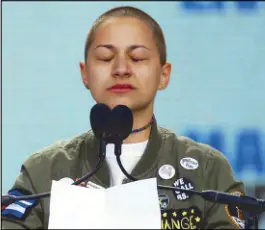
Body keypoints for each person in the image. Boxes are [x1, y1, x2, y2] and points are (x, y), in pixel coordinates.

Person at [2, 6, 246, 229]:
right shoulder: (43, 171)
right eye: (106, 58)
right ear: (85, 73)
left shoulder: (207, 170)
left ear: (164, 74)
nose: (121, 69)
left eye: (137, 58)